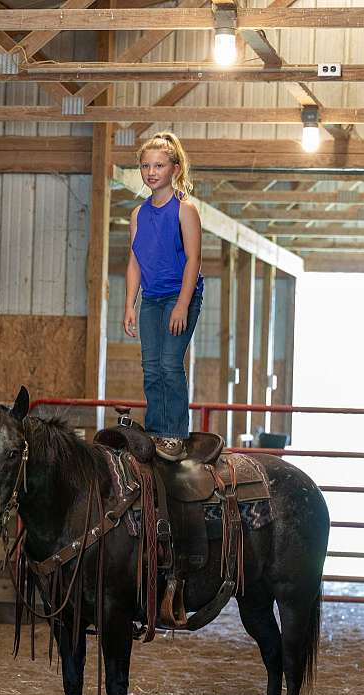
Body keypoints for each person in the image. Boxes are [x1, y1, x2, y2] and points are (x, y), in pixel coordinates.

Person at [123, 131, 204, 462]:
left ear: (174, 168)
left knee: (171, 364)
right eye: (145, 166)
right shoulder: (138, 215)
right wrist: (130, 303)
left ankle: (175, 434)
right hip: (152, 297)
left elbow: (194, 259)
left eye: (158, 165)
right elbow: (134, 261)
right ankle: (156, 428)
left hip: (180, 294)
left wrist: (182, 304)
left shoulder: (185, 210)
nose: (151, 172)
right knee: (151, 366)